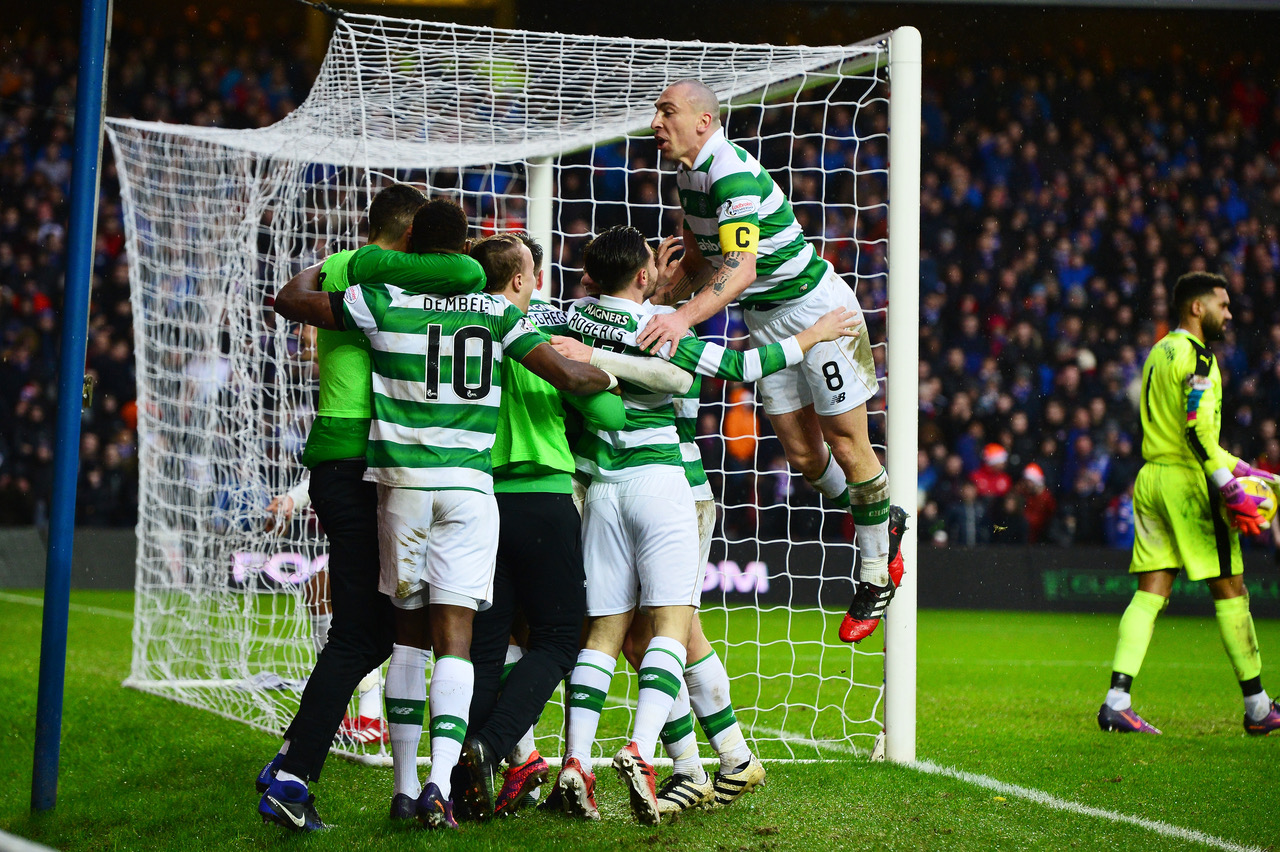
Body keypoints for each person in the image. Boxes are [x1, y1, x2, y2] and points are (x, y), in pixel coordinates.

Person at [269, 198, 615, 830]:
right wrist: (609, 382)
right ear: (459, 255)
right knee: (454, 638)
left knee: (404, 635)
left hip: (399, 484)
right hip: (469, 488)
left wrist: (346, 263)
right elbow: (565, 374)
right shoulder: (493, 309)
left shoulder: (382, 300)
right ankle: (437, 787)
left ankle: (403, 792)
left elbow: (291, 301)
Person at [548, 226, 859, 825]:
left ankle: (701, 762)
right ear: (648, 274)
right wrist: (811, 335)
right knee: (664, 633)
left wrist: (658, 298)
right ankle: (716, 761)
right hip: (660, 482)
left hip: (656, 487)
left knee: (646, 633)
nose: (682, 268)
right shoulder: (668, 326)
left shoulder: (607, 318)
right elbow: (739, 364)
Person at [254, 185, 491, 832]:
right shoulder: (390, 287)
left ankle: (290, 759)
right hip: (364, 460)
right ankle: (294, 775)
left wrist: (341, 262)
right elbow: (468, 268)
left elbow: (290, 294)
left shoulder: (345, 269)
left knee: (381, 629)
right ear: (415, 237)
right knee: (366, 632)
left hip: (352, 459)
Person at [637, 79, 904, 643]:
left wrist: (682, 319)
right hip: (766, 322)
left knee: (848, 441)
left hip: (818, 309)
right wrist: (662, 298)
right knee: (806, 458)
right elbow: (701, 256)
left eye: (667, 112)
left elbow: (741, 268)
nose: (656, 122)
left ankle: (876, 574)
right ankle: (885, 518)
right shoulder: (689, 175)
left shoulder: (728, 172)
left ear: (703, 122)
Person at [450, 232, 670, 821]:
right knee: (556, 639)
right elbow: (612, 411)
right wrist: (602, 371)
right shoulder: (541, 342)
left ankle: (468, 780)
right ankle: (491, 746)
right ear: (521, 281)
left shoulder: (451, 337)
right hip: (545, 500)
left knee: (488, 645)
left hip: (479, 498)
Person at [1097, 271, 1280, 736]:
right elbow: (1197, 429)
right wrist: (1225, 482)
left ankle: (1117, 700)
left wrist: (1247, 470)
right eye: (1223, 304)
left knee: (1151, 590)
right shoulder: (1199, 356)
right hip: (1186, 481)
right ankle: (1258, 708)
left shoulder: (1159, 351)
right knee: (1232, 590)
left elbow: (1184, 427)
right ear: (1197, 307)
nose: (1230, 313)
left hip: (1151, 477)